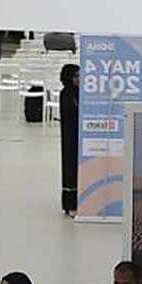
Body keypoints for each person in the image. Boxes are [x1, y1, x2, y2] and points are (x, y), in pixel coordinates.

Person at [59, 63, 80, 217]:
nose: (79, 79)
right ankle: (70, 203)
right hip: (70, 136)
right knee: (70, 166)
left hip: (81, 135)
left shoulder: (81, 93)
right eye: (76, 76)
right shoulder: (66, 94)